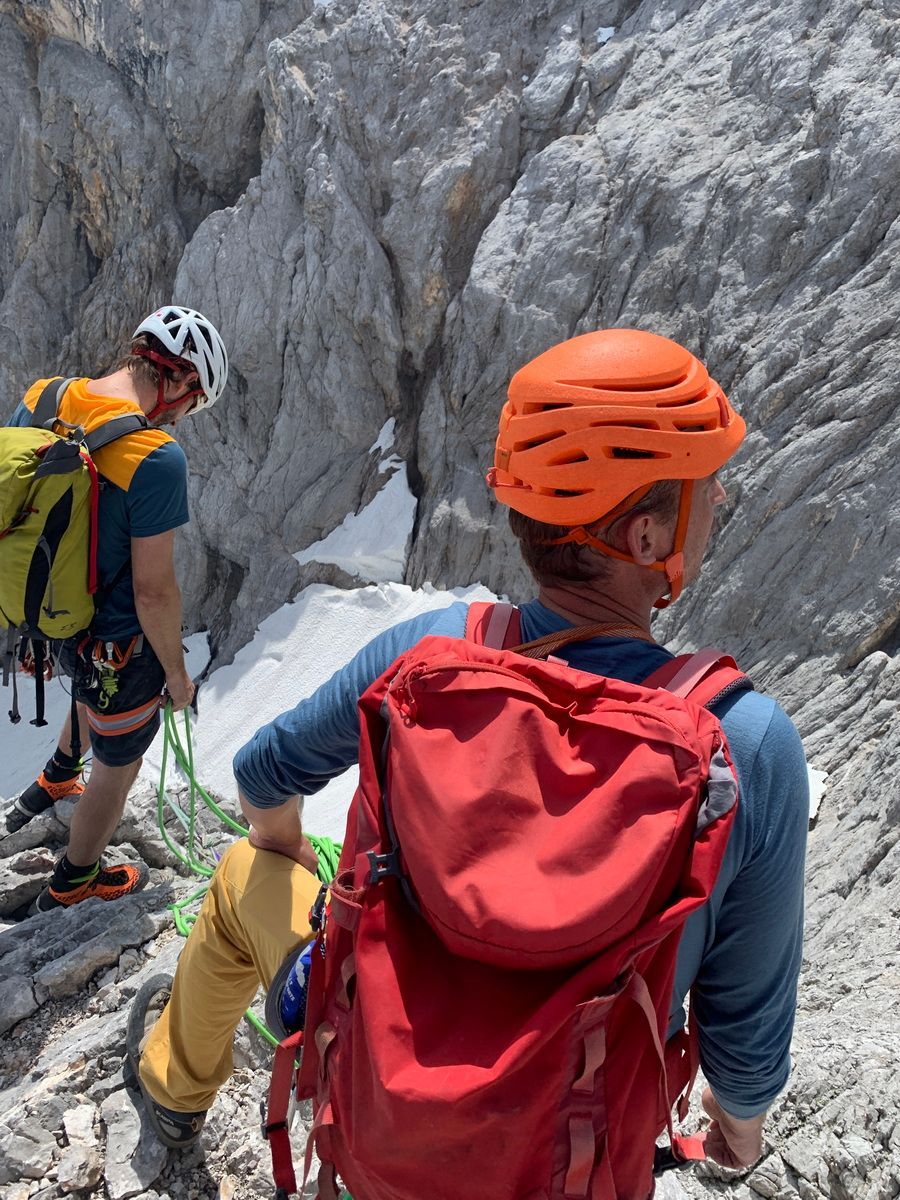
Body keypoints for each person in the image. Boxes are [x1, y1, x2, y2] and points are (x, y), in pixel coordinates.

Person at [132, 328, 808, 1174]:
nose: (717, 499)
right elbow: (742, 1045)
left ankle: (168, 1095)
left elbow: (263, 776)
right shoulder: (744, 746)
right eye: (703, 484)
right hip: (567, 1152)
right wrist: (734, 1134)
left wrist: (295, 852)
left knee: (242, 877)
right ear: (643, 538)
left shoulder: (430, 652)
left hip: (380, 1101)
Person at [5, 306, 229, 911]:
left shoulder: (44, 396)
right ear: (179, 381)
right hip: (117, 645)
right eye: (191, 401)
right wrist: (177, 677)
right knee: (120, 760)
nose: (183, 416)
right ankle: (73, 881)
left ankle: (55, 772)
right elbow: (154, 591)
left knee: (84, 689)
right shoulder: (156, 458)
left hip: (49, 617)